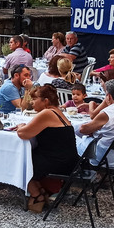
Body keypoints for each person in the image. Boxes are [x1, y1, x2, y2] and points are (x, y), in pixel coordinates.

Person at [15, 84, 80, 212]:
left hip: (57, 162)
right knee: (27, 156)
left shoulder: (47, 113)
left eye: (34, 99)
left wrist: (20, 127)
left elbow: (23, 134)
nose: (31, 102)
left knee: (18, 159)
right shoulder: (57, 111)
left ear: (45, 101)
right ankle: (41, 190)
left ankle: (37, 195)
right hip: (69, 161)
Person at [78, 79, 114, 168]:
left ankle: (71, 174)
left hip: (103, 157)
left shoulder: (107, 113)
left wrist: (91, 130)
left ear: (108, 96)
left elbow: (83, 129)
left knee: (73, 138)